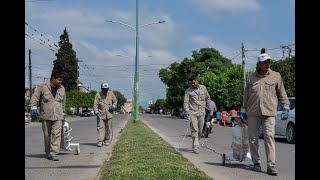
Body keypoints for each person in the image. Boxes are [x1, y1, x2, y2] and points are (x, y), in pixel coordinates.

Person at [239, 52, 290, 176]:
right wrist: (243, 110)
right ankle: (256, 162)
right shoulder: (251, 78)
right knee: (253, 138)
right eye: (265, 62)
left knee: (269, 137)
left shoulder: (276, 76)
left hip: (269, 111)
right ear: (259, 64)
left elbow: (282, 92)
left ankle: (271, 166)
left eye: (269, 61)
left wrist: (286, 106)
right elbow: (246, 95)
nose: (267, 64)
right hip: (253, 112)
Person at [30, 70, 66, 161]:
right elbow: (35, 97)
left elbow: (63, 101)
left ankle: (54, 153)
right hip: (46, 115)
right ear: (53, 78)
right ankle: (48, 152)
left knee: (57, 134)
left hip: (58, 115)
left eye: (61, 80)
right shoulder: (43, 86)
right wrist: (33, 107)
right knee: (47, 135)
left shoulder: (62, 88)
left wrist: (64, 111)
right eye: (59, 80)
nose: (60, 82)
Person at [183, 75, 210, 154]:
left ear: (197, 81)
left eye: (194, 83)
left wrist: (209, 107)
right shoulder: (188, 91)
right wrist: (187, 110)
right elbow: (186, 102)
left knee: (200, 130)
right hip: (193, 112)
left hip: (202, 112)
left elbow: (208, 98)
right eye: (191, 83)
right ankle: (196, 146)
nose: (193, 84)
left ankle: (195, 143)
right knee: (194, 129)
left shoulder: (203, 88)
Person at [93, 83, 118, 147]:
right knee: (100, 128)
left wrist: (113, 106)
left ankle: (107, 140)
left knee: (108, 128)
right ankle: (100, 141)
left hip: (109, 114)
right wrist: (96, 111)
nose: (105, 91)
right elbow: (95, 104)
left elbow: (115, 101)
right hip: (101, 114)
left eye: (106, 89)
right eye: (104, 89)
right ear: (101, 89)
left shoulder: (111, 93)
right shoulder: (98, 95)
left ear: (108, 89)